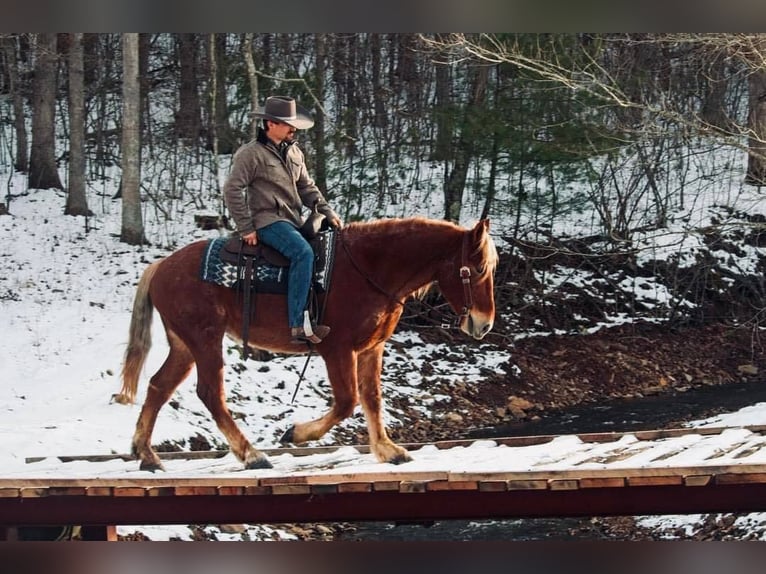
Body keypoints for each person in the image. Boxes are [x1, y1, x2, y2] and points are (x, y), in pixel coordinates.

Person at [223, 96, 342, 344]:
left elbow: (307, 188)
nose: (293, 128)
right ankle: (298, 325)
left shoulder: (295, 152)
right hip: (267, 220)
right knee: (303, 254)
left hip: (293, 221)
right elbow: (232, 190)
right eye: (288, 124)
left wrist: (327, 210)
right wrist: (246, 227)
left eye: (294, 124)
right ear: (270, 124)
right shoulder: (250, 154)